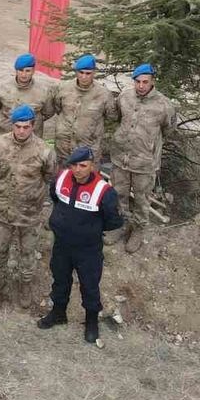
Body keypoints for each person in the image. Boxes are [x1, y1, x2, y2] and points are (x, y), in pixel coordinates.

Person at [38, 147, 123, 345]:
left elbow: (114, 221)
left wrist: (90, 229)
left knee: (89, 286)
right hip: (62, 244)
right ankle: (58, 313)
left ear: (92, 166)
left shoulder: (104, 191)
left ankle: (91, 322)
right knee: (60, 281)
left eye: (83, 165)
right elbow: (55, 197)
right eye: (74, 165)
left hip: (88, 249)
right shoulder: (61, 178)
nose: (77, 170)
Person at [0, 105, 57, 308]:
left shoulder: (44, 151)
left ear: (33, 126)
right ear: (12, 125)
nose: (22, 131)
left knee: (28, 253)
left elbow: (49, 176)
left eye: (26, 127)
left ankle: (25, 285)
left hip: (30, 213)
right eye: (18, 126)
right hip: (3, 210)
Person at [111, 64, 177, 254]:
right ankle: (121, 225)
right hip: (121, 158)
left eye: (145, 82)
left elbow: (168, 129)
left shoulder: (164, 105)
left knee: (141, 199)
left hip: (144, 162)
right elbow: (119, 119)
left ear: (152, 81)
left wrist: (149, 146)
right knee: (119, 194)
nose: (141, 86)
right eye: (138, 82)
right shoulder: (124, 97)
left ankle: (138, 229)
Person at [52, 54, 116, 164]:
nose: (84, 77)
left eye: (88, 73)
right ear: (76, 72)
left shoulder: (103, 94)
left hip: (89, 151)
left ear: (94, 73)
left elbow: (111, 116)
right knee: (63, 178)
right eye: (81, 73)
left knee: (88, 180)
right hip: (64, 149)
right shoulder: (63, 89)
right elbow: (57, 108)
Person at [0, 54, 57, 136]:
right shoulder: (3, 87)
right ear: (16, 70)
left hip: (32, 137)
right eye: (20, 70)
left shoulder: (43, 91)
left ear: (33, 70)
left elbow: (48, 112)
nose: (24, 75)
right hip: (5, 135)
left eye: (27, 71)